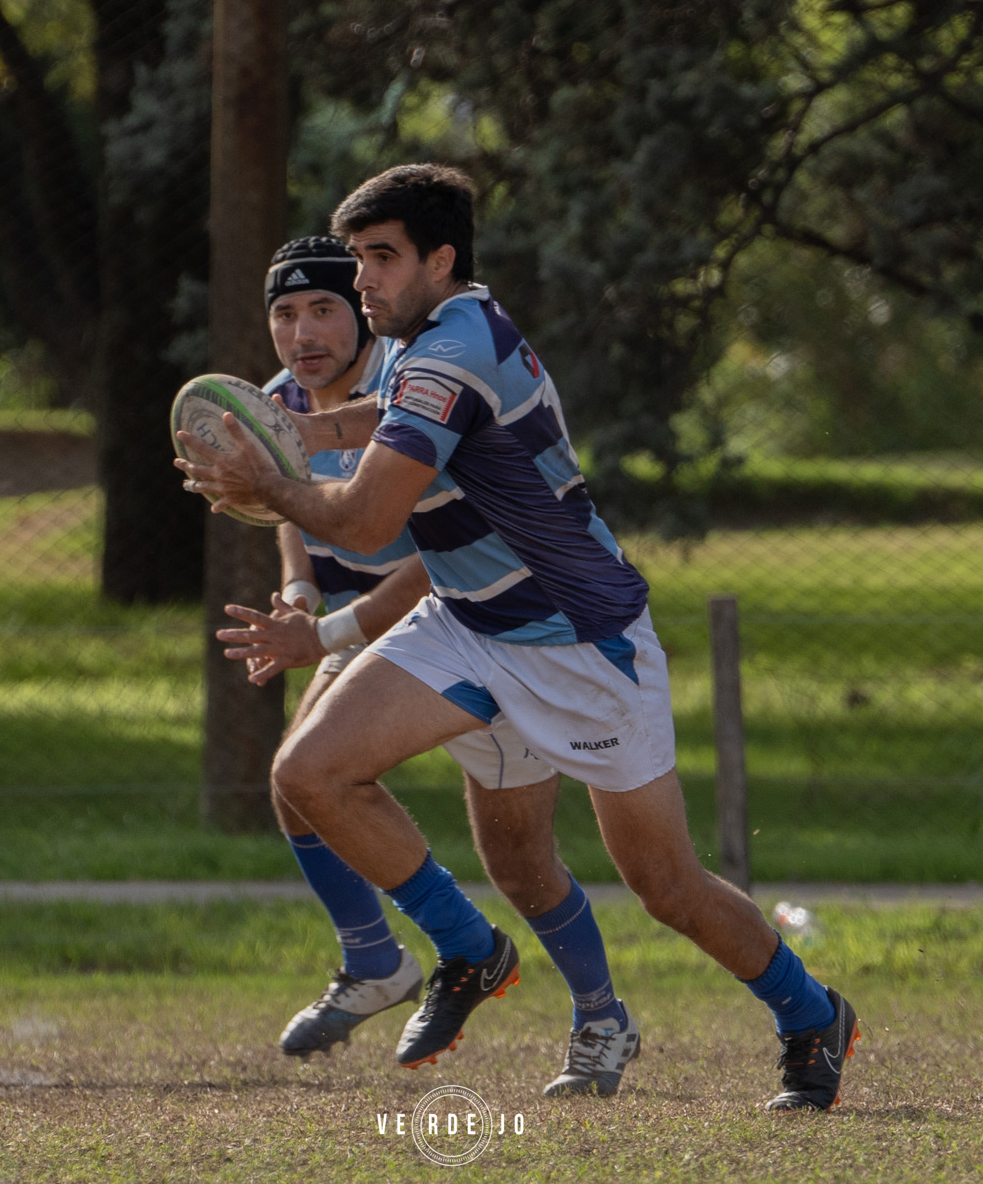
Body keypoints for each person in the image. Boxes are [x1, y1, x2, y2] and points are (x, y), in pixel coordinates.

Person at [177, 164, 859, 1112]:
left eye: (381, 258)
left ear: (440, 260)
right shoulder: (431, 338)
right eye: (360, 258)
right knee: (310, 773)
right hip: (467, 621)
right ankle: (468, 948)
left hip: (580, 642)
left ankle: (811, 1013)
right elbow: (391, 413)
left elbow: (369, 521)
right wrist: (307, 431)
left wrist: (271, 485)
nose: (362, 279)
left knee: (667, 886)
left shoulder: (451, 354)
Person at [213, 237, 641, 1096]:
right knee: (301, 778)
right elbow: (292, 513)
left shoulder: (416, 387)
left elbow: (436, 560)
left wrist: (329, 634)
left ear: (363, 311)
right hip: (365, 630)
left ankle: (601, 1016)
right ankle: (385, 959)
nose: (303, 332)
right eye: (284, 313)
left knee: (520, 860)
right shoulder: (276, 404)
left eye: (325, 308)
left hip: (471, 619)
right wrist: (300, 597)